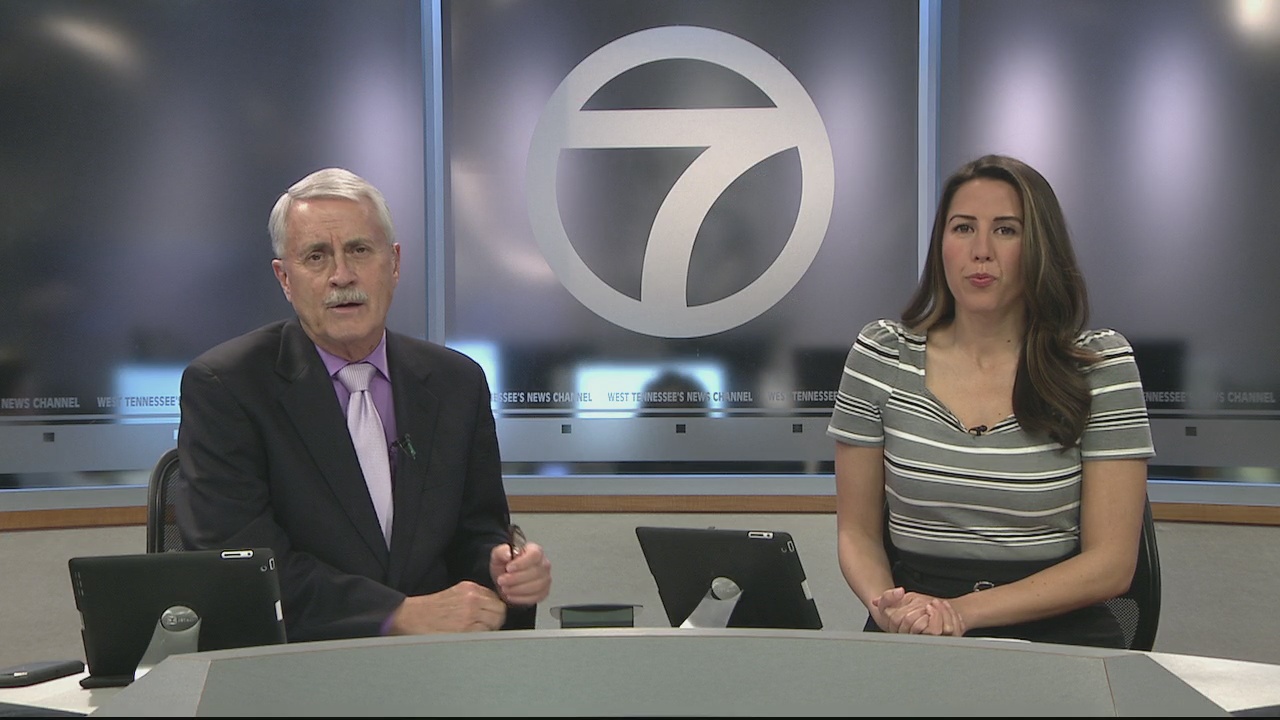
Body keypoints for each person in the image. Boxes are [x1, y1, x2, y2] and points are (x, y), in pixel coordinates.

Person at [176, 167, 551, 642]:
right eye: (316, 256)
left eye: (359, 250)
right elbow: (242, 568)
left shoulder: (457, 383)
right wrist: (395, 614)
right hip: (299, 666)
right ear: (285, 278)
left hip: (439, 664)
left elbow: (477, 532)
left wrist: (501, 570)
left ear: (393, 263)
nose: (342, 275)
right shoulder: (227, 388)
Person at [826, 154, 1154, 648]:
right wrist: (890, 608)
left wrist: (960, 614)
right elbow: (858, 534)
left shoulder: (1098, 366)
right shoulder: (882, 355)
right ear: (941, 245)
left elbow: (1111, 565)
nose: (981, 251)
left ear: (1039, 246)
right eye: (963, 228)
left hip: (1056, 636)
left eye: (1005, 230)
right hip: (915, 633)